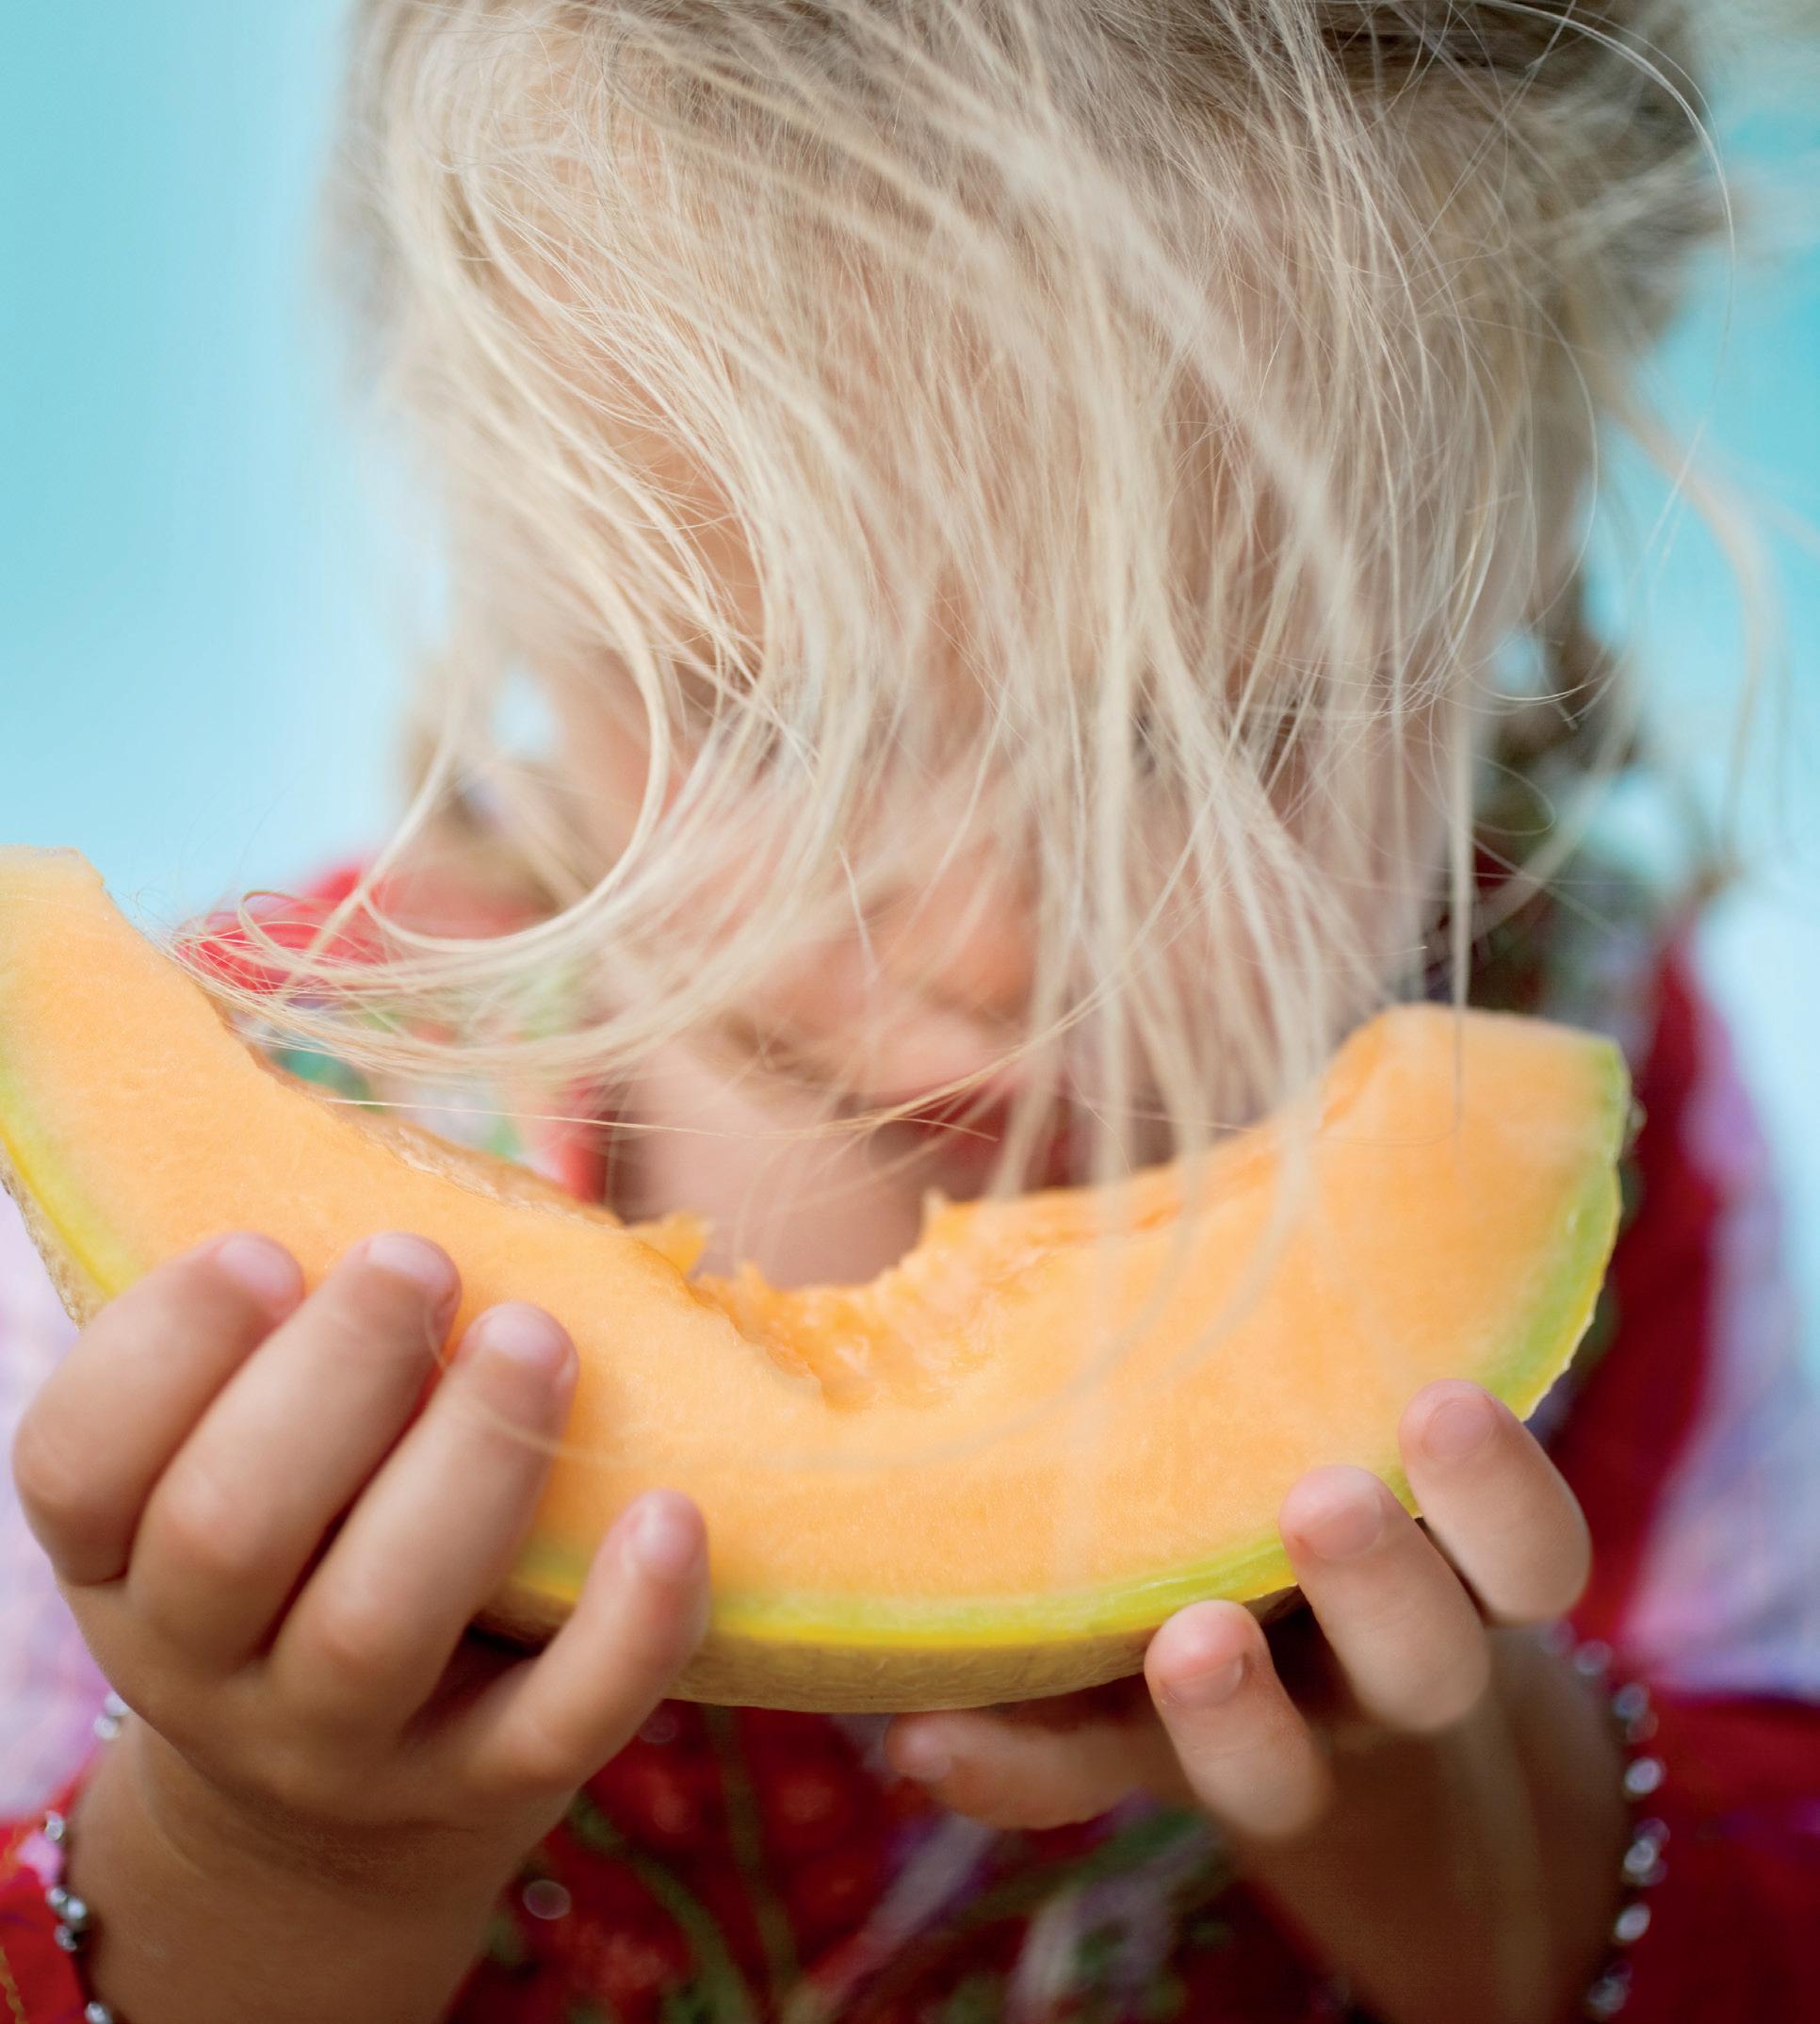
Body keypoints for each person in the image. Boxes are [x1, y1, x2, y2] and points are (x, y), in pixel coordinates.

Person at [2, 3, 1816, 2019]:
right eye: (767, 716)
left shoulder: (1601, 1096)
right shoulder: (204, 1254)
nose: (991, 950)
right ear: (495, 528)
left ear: (1529, 561)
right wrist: (271, 1861)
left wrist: (1450, 1795)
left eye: (1225, 733)